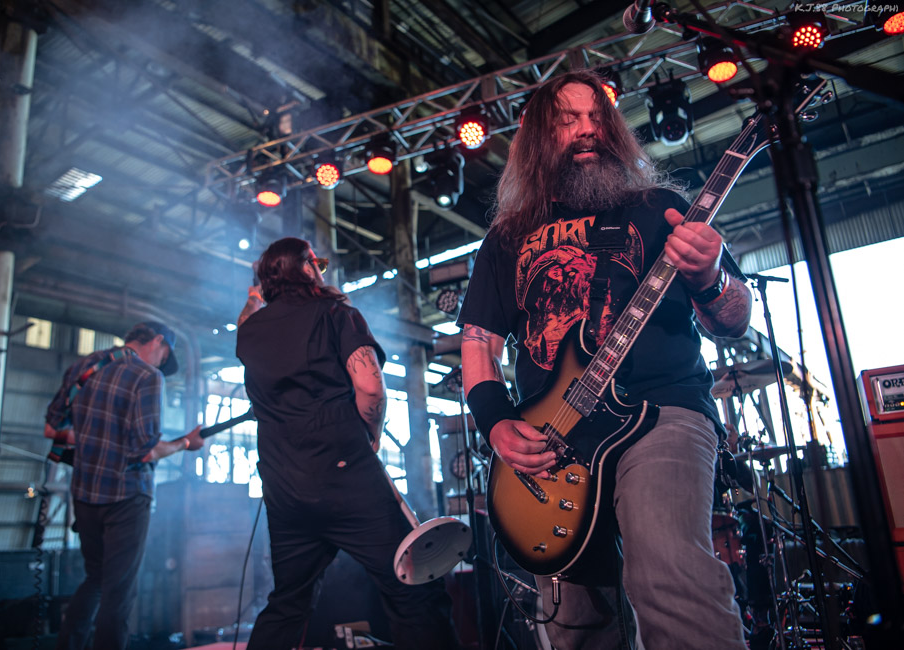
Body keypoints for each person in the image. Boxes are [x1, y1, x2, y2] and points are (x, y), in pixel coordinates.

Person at [457, 70, 753, 649]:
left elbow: (733, 321)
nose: (587, 130)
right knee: (574, 624)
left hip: (659, 413)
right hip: (555, 436)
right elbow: (478, 343)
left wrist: (710, 277)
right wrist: (495, 422)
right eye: (568, 120)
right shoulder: (507, 236)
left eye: (597, 118)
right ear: (540, 135)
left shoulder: (661, 208)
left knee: (669, 576)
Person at [236, 237, 459, 650]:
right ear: (306, 269)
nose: (321, 268)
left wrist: (255, 292)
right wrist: (370, 436)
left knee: (288, 602)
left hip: (284, 489)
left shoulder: (250, 334)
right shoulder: (336, 313)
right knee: (413, 588)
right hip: (345, 478)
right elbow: (370, 388)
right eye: (315, 262)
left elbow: (245, 319)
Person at [45, 321, 204, 650]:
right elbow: (145, 450)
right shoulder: (147, 376)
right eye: (163, 357)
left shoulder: (84, 366)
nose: (160, 364)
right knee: (119, 592)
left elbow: (52, 429)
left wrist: (94, 438)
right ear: (158, 341)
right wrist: (185, 444)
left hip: (85, 494)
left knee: (96, 579)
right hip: (126, 497)